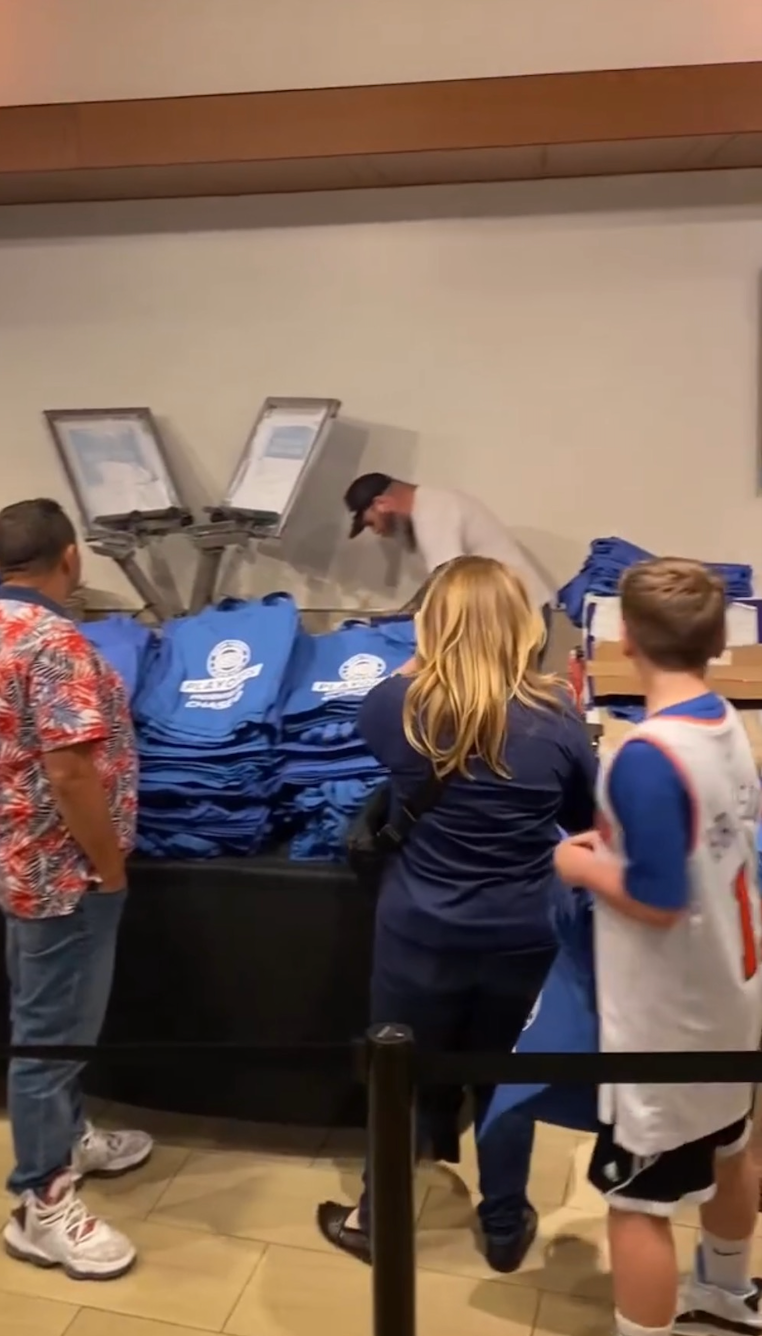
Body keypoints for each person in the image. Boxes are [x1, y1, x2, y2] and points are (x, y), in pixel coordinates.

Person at [317, 555, 596, 1273]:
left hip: (419, 928)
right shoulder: (558, 720)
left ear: (430, 624)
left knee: (399, 1074)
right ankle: (504, 1223)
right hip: (522, 930)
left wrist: (431, 651)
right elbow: (580, 816)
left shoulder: (392, 708)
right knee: (503, 1080)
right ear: (523, 629)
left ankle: (378, 1218)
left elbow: (401, 702)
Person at [554, 558, 762, 1336]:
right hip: (732, 992)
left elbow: (660, 897)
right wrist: (617, 849)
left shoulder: (644, 753)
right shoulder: (725, 722)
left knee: (636, 1201)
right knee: (731, 1149)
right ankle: (727, 1289)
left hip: (669, 1017)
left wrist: (578, 863)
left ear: (628, 636)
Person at [0, 498, 152, 1282]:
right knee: (49, 1040)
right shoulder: (56, 643)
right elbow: (69, 771)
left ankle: (67, 1137)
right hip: (66, 875)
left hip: (17, 859)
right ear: (71, 557)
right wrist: (108, 865)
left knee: (50, 1026)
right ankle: (42, 1203)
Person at [343, 472, 554, 647]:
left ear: (382, 504)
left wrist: (387, 626)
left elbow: (448, 588)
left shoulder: (434, 515)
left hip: (518, 617)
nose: (378, 531)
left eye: (371, 523)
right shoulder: (434, 503)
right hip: (514, 614)